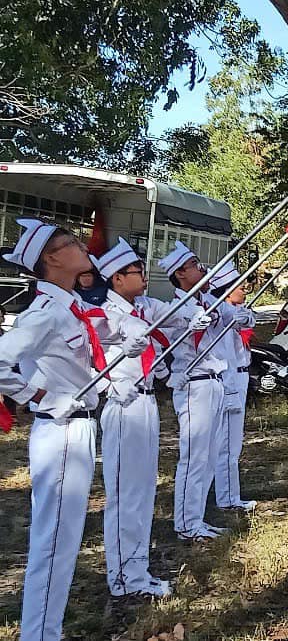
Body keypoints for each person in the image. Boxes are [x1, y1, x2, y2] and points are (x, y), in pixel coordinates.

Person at [0, 220, 147, 640]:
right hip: (60, 430)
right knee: (54, 544)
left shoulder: (69, 307)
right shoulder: (45, 312)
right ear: (50, 259)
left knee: (64, 541)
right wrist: (38, 395)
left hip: (77, 428)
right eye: (69, 243)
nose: (81, 246)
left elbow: (78, 364)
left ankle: (48, 628)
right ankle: (39, 634)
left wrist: (110, 376)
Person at [94, 238, 183, 598]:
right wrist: (107, 383)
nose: (144, 277)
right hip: (124, 406)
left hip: (146, 402)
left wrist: (197, 318)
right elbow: (86, 351)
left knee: (144, 491)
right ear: (117, 279)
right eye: (137, 272)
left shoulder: (143, 307)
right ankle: (123, 579)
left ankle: (136, 571)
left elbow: (175, 315)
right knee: (125, 495)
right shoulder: (104, 316)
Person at [160, 241, 237, 540]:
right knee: (193, 457)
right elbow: (157, 337)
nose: (200, 268)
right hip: (194, 386)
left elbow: (229, 320)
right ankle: (185, 523)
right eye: (193, 265)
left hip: (214, 381)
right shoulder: (175, 308)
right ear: (180, 273)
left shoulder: (208, 302)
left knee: (208, 455)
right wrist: (167, 374)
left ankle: (196, 518)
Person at [207, 262, 257, 512]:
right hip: (230, 376)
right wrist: (229, 388)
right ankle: (226, 498)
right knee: (226, 441)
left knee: (233, 440)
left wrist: (246, 316)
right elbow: (223, 353)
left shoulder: (237, 311)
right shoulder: (219, 315)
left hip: (242, 375)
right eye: (239, 285)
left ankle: (230, 494)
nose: (244, 289)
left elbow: (250, 321)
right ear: (226, 290)